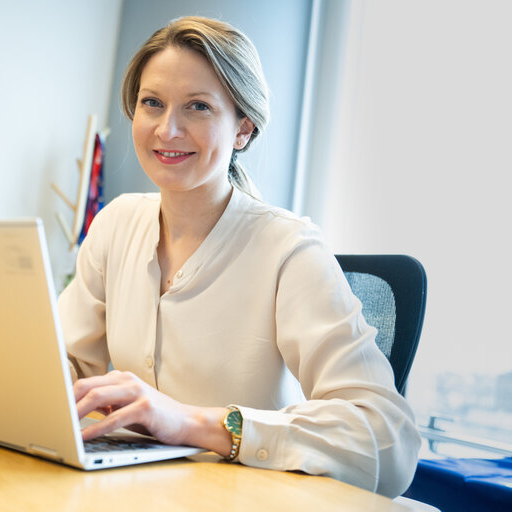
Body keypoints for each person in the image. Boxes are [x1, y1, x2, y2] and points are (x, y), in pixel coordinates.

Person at [58, 16, 421, 498]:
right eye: (152, 103)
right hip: (130, 492)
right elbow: (63, 369)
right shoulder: (115, 224)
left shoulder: (289, 250)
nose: (168, 128)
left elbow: (388, 442)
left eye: (198, 107)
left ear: (243, 129)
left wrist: (191, 422)